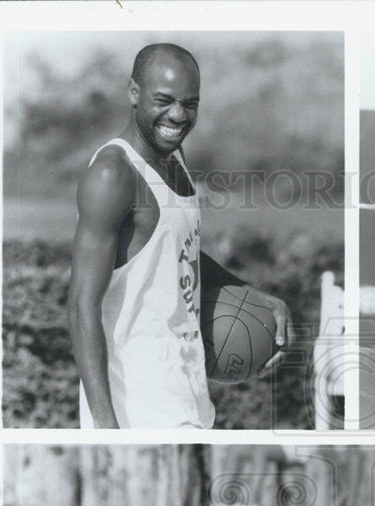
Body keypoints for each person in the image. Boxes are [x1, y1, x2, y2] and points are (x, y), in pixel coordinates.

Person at [67, 43, 291, 429]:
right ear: (133, 93)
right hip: (137, 405)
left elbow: (175, 252)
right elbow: (80, 307)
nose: (178, 115)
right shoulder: (114, 174)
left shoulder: (175, 157)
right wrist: (106, 431)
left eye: (190, 103)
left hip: (188, 390)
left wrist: (253, 295)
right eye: (164, 100)